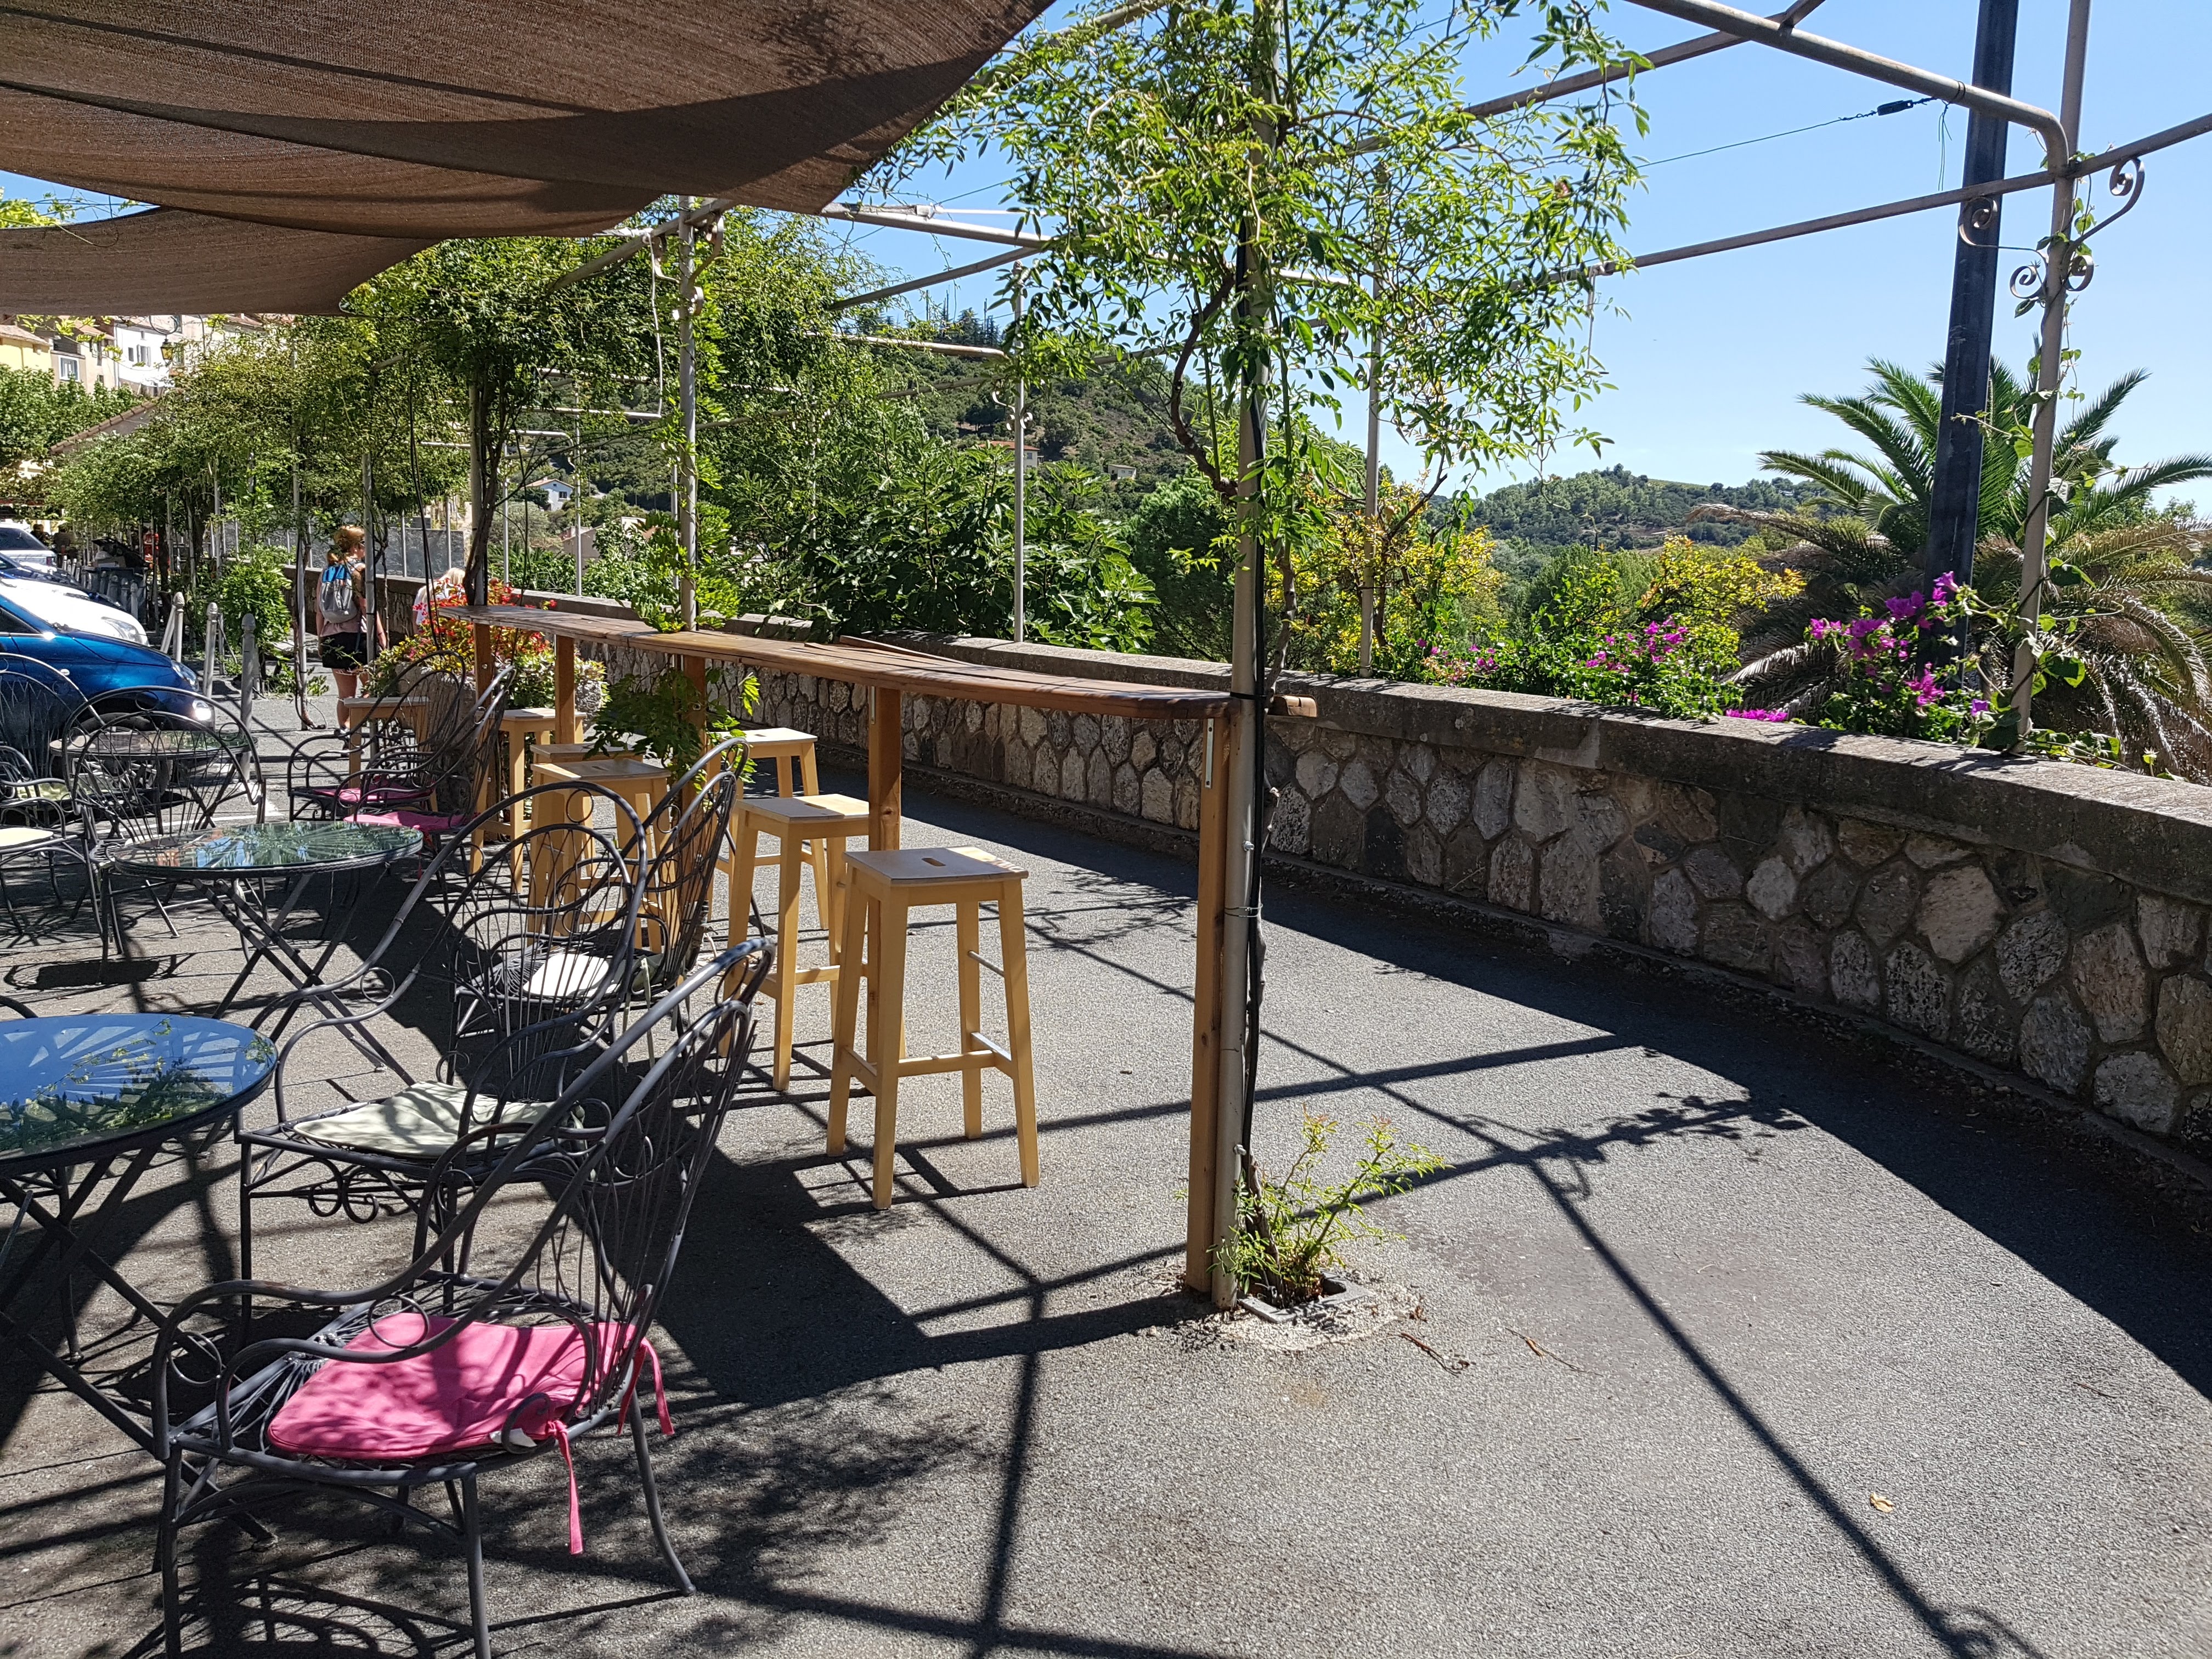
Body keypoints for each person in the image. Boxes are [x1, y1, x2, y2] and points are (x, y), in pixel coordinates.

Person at [317, 527, 370, 713]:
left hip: (331, 638)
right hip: (358, 636)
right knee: (373, 688)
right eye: (364, 544)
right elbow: (366, 607)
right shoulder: (360, 570)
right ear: (356, 547)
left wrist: (321, 640)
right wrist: (380, 636)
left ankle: (345, 729)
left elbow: (319, 611)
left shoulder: (327, 571)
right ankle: (359, 725)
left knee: (345, 696)